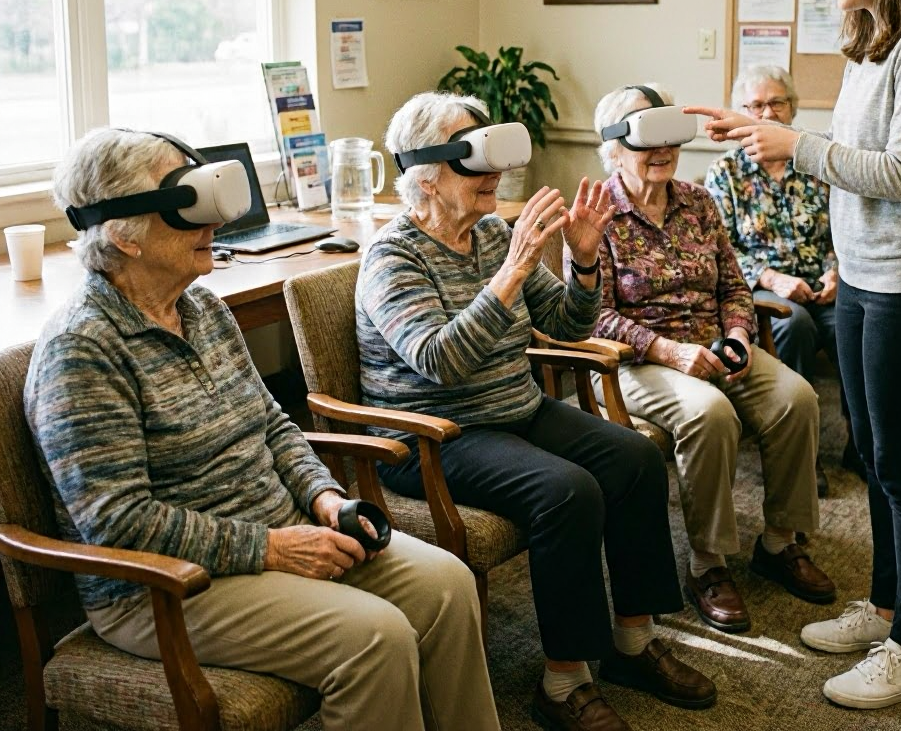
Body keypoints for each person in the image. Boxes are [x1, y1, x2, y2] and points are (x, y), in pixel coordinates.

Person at [25, 127, 500, 731]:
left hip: (280, 527)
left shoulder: (201, 307)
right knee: (374, 638)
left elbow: (273, 424)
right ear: (124, 235)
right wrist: (272, 549)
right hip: (163, 587)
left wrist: (323, 497)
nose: (215, 222)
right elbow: (120, 521)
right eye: (188, 205)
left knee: (448, 585)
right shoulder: (83, 349)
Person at [687, 0, 901, 710]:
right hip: (864, 276)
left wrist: (792, 143)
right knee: (879, 459)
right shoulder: (878, 35)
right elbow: (852, 154)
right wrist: (766, 134)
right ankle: (887, 608)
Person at [357, 91, 716, 731]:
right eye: (475, 160)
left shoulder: (493, 234)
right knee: (567, 491)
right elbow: (440, 361)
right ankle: (563, 682)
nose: (494, 173)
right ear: (427, 176)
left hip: (513, 408)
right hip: (435, 435)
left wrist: (584, 262)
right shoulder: (392, 258)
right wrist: (513, 271)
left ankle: (633, 644)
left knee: (635, 457)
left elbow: (567, 324)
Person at [585, 82, 835, 639]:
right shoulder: (597, 216)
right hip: (635, 363)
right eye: (646, 137)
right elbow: (591, 318)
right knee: (710, 413)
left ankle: (780, 542)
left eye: (670, 134)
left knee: (797, 398)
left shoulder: (698, 201)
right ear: (615, 148)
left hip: (717, 346)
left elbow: (733, 287)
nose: (663, 149)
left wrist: (740, 334)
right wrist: (670, 351)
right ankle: (708, 563)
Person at [705, 65, 864, 494]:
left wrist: (836, 270)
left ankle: (861, 444)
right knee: (793, 324)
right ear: (741, 112)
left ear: (792, 107)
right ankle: (799, 455)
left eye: (777, 102)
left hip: (824, 285)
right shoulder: (726, 174)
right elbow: (721, 250)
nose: (767, 113)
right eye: (756, 105)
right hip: (763, 291)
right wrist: (772, 278)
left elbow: (843, 229)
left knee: (854, 323)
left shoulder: (814, 164)